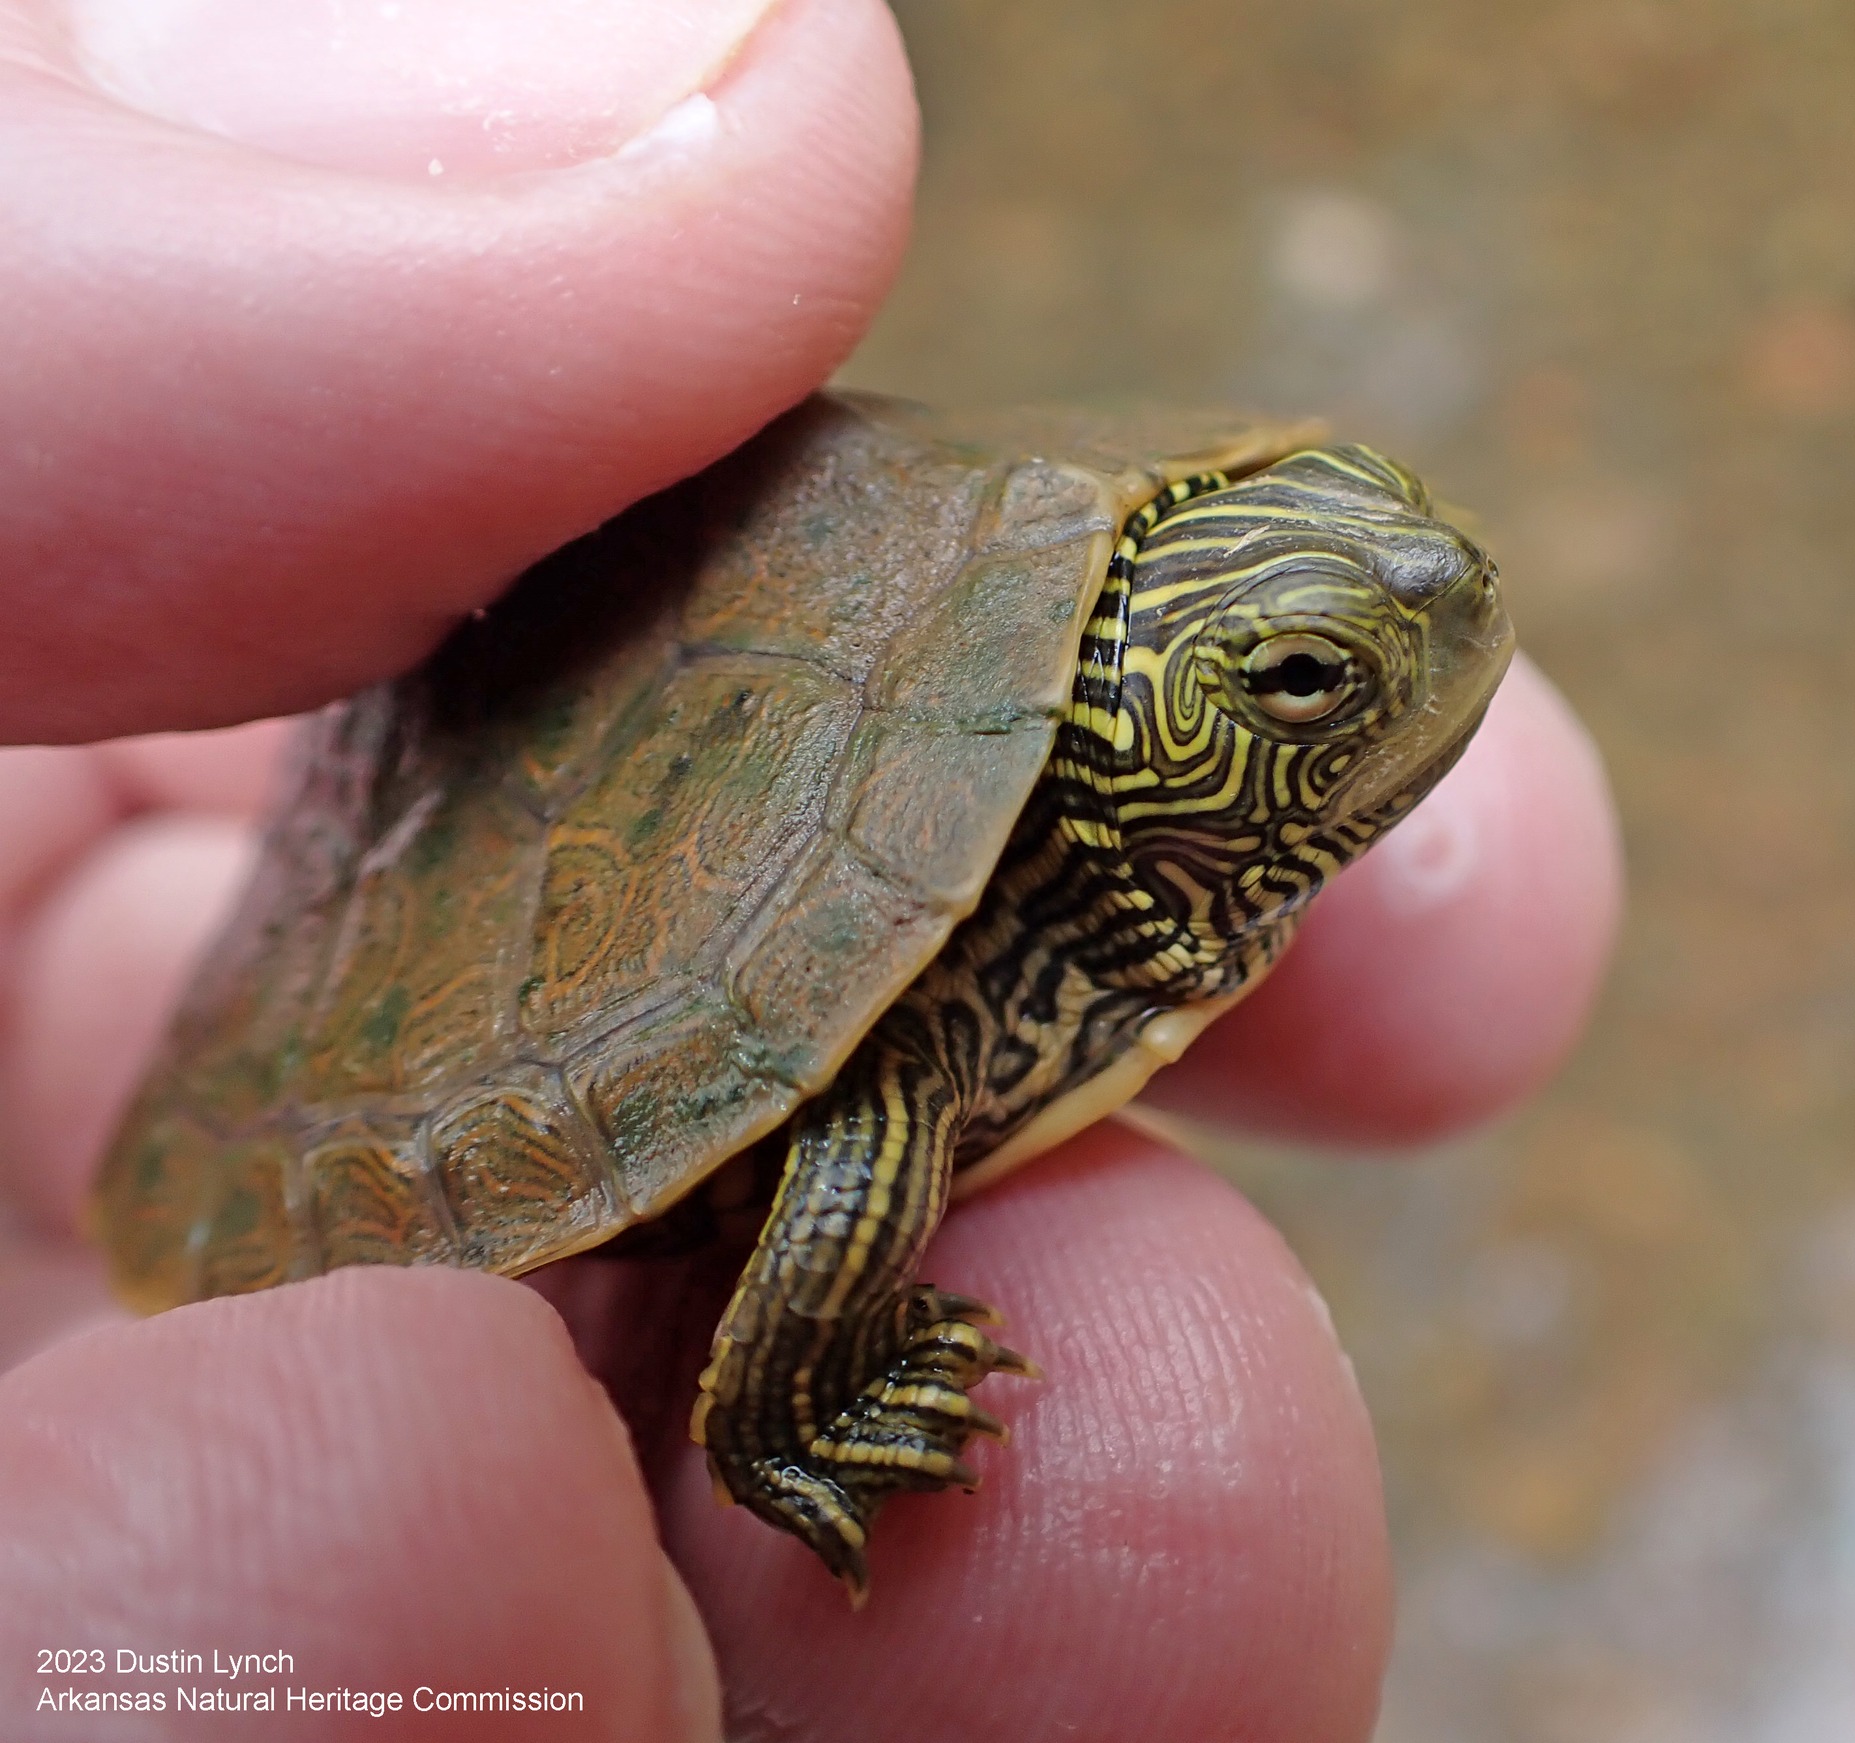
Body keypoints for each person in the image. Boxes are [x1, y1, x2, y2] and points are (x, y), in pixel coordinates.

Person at [0, 1, 1622, 1735]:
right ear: (1142, 792)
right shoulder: (933, 1019)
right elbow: (854, 1110)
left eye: (1368, 507)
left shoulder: (1089, 824)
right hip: (385, 928)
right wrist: (790, 1405)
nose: (1442, 579)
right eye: (1307, 685)